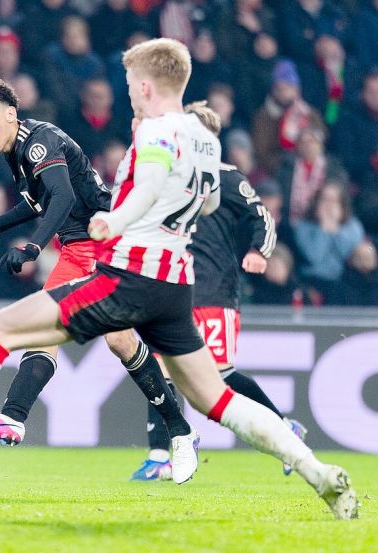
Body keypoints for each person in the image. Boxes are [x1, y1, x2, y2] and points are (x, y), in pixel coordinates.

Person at [0, 39, 358, 520]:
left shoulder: (155, 133)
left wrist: (114, 221)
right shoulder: (203, 142)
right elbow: (203, 203)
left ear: (147, 85)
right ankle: (317, 470)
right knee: (216, 398)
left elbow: (144, 185)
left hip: (126, 273)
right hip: (174, 283)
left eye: (133, 81)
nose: (131, 90)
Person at [0, 78, 195, 483]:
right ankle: (12, 419)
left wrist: (33, 248)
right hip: (78, 250)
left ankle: (180, 433)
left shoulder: (38, 142)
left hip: (109, 242)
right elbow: (37, 200)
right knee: (43, 332)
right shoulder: (16, 151)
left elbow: (62, 198)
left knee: (118, 340)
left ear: (11, 114)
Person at [130, 102, 306, 481]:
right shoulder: (168, 175)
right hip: (171, 287)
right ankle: (161, 453)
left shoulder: (226, 177)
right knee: (158, 367)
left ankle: (283, 427)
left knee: (218, 377)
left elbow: (261, 216)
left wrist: (259, 250)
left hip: (213, 292)